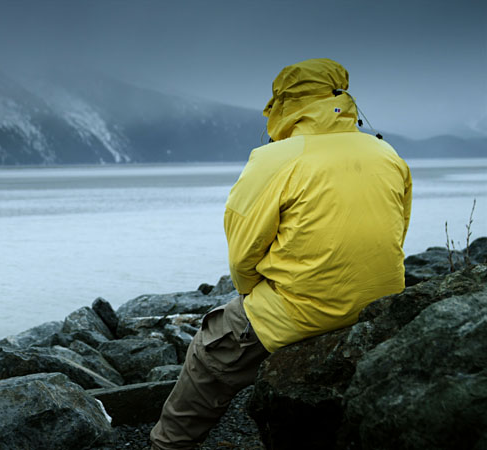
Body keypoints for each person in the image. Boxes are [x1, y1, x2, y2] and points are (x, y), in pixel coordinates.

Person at [149, 58, 412, 450]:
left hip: (304, 309)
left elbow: (242, 258)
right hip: (382, 301)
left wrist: (253, 293)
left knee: (210, 349)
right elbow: (398, 229)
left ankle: (169, 444)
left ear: (283, 104)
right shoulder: (387, 153)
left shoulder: (275, 159)